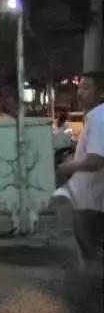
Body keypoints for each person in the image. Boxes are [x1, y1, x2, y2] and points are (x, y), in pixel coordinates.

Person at [56, 71, 104, 273]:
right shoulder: (95, 117)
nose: (80, 93)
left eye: (86, 88)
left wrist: (69, 166)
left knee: (91, 252)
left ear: (101, 92)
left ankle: (91, 297)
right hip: (90, 199)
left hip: (91, 201)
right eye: (79, 87)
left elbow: (96, 160)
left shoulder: (100, 119)